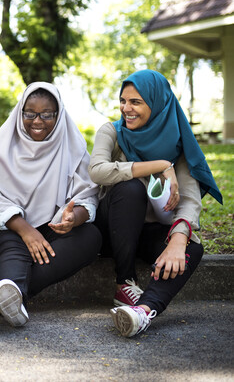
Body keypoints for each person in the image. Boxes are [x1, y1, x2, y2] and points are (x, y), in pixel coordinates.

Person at [88, 69, 222, 338]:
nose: (126, 108)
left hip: (146, 232)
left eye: (135, 102)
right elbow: (98, 170)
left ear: (157, 103)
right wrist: (159, 165)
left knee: (192, 249)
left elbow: (189, 200)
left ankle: (143, 312)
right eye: (123, 101)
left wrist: (178, 238)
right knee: (130, 189)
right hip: (111, 229)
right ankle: (124, 283)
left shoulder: (177, 142)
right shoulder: (112, 132)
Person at [0, 82, 101, 327]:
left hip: (51, 226)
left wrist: (73, 218)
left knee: (91, 237)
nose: (37, 121)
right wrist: (26, 230)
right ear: (19, 113)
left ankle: (6, 297)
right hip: (6, 225)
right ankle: (14, 297)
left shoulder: (72, 147)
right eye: (30, 114)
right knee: (14, 249)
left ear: (59, 115)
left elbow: (87, 193)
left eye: (47, 115)